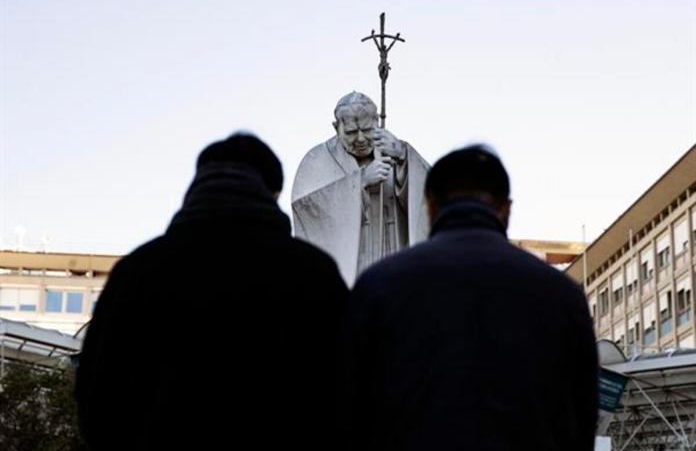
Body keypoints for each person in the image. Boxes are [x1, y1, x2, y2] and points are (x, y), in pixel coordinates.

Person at [76, 133, 348, 450]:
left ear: (195, 187)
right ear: (273, 193)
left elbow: (97, 399)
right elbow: (346, 391)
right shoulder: (312, 272)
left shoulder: (138, 272)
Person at [343, 145, 598, 450]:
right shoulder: (561, 294)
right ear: (506, 209)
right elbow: (581, 417)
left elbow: (350, 412)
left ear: (430, 207)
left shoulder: (379, 285)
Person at [291, 92, 430, 285]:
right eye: (350, 132)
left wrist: (404, 160)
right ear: (336, 127)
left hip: (393, 249)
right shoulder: (317, 160)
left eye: (367, 130)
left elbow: (431, 197)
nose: (361, 139)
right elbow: (306, 209)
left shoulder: (395, 151)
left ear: (376, 122)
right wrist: (360, 181)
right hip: (350, 263)